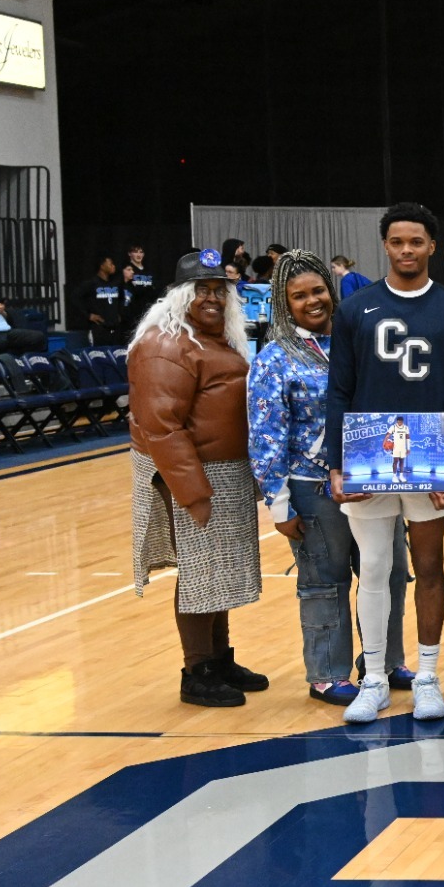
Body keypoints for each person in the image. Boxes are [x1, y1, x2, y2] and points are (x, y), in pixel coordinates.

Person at [325, 202, 444, 724]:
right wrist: (337, 462)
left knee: (429, 565)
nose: (407, 250)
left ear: (432, 246)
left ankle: (429, 676)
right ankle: (373, 679)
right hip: (369, 458)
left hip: (430, 460)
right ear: (385, 246)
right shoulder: (354, 310)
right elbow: (339, 389)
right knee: (372, 567)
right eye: (397, 242)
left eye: (417, 242)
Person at [248, 250, 411, 706]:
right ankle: (328, 672)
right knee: (326, 580)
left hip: (377, 482)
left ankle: (385, 661)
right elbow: (265, 437)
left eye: (318, 290)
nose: (312, 301)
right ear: (284, 303)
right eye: (298, 296)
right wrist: (278, 506)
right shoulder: (274, 359)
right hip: (314, 490)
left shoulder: (359, 340)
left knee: (391, 572)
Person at [127, 251, 266, 707]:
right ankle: (197, 670)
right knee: (200, 574)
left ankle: (219, 659)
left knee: (218, 572)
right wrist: (191, 491)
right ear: (180, 296)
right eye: (201, 290)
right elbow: (161, 426)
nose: (211, 298)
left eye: (218, 290)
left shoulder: (214, 341)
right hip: (194, 474)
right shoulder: (165, 344)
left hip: (225, 470)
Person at [75, 254, 127, 345]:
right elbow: (75, 298)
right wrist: (88, 315)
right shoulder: (92, 283)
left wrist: (120, 313)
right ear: (102, 266)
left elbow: (122, 298)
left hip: (115, 329)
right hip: (99, 329)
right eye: (110, 264)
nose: (113, 266)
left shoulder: (115, 283)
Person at [0, 292, 47, 356]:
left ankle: (22, 362)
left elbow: (5, 317)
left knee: (38, 337)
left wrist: (1, 311)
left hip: (6, 331)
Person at [120, 246, 157, 328]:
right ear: (129, 254)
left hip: (148, 313)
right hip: (131, 315)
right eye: (136, 252)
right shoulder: (126, 270)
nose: (139, 254)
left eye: (141, 252)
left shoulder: (149, 271)